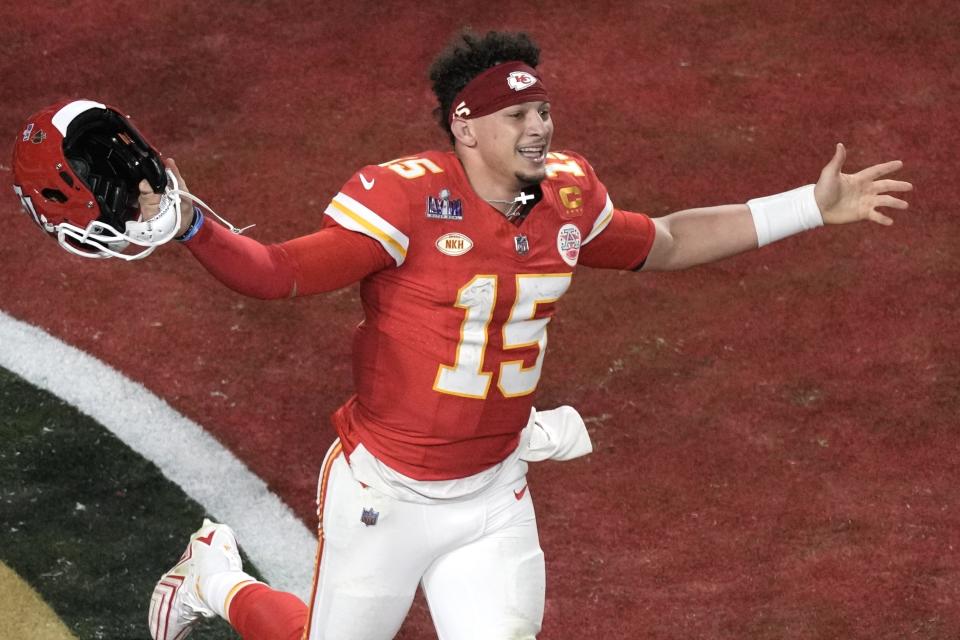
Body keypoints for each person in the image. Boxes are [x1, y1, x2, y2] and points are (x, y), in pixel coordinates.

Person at [143, 30, 911, 640]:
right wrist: (191, 225)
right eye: (518, 115)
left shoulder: (568, 198)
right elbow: (275, 272)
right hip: (388, 492)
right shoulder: (407, 202)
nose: (540, 127)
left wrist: (809, 207)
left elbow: (666, 241)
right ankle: (214, 577)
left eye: (543, 111)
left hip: (495, 491)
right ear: (465, 126)